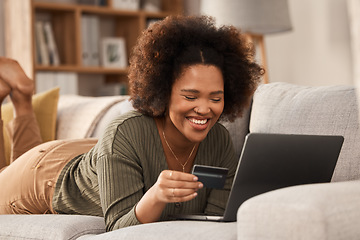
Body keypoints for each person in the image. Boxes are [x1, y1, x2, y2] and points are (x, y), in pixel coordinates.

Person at [0, 15, 263, 231]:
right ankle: (20, 99)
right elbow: (119, 229)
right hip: (44, 178)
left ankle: (22, 100)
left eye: (215, 97)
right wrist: (155, 197)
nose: (205, 109)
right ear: (163, 91)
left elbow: (215, 221)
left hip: (93, 154)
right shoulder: (126, 131)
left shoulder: (219, 140)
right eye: (190, 96)